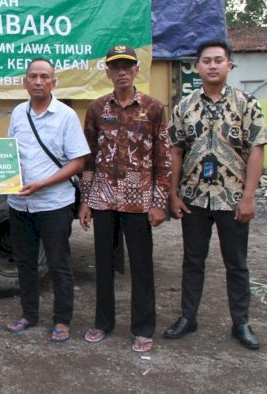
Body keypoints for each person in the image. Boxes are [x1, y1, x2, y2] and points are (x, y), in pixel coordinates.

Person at [164, 39, 267, 350]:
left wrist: (249, 197)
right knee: (192, 261)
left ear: (229, 65)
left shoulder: (247, 103)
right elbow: (175, 152)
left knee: (236, 263)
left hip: (232, 199)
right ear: (197, 67)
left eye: (218, 60)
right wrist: (173, 194)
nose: (212, 65)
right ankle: (188, 317)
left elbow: (256, 151)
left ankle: (241, 322)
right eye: (206, 60)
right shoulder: (184, 107)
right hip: (194, 198)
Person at [79, 45, 171, 353]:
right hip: (103, 198)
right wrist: (86, 200)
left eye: (126, 67)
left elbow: (163, 159)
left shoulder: (154, 108)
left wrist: (159, 203)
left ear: (135, 71)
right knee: (103, 264)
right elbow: (88, 159)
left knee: (142, 266)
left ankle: (143, 328)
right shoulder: (96, 110)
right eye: (114, 67)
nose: (121, 72)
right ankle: (103, 323)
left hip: (139, 200)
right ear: (107, 72)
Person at [4, 58, 89, 343]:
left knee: (58, 263)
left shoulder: (65, 116)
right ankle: (29, 314)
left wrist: (42, 183)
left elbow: (78, 162)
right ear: (25, 82)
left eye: (44, 76)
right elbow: (8, 153)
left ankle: (62, 320)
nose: (38, 81)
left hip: (54, 203)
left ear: (54, 82)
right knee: (25, 262)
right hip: (19, 204)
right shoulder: (18, 113)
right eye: (32, 76)